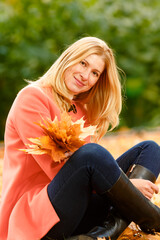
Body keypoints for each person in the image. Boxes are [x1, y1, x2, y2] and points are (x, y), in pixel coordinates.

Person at [0, 36, 160, 240]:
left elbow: (90, 173)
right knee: (92, 154)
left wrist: (122, 189)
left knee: (150, 149)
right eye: (83, 63)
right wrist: (130, 188)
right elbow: (57, 169)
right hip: (37, 217)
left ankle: (101, 235)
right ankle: (153, 218)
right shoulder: (32, 98)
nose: (86, 76)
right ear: (69, 58)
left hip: (77, 210)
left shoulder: (80, 110)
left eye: (95, 73)